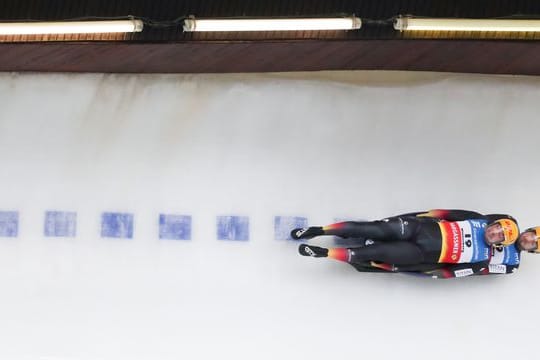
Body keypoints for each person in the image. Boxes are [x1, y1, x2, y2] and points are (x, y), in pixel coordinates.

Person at [292, 209, 520, 277]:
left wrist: (414, 270)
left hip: (418, 253)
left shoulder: (481, 261)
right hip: (419, 228)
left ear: (499, 244)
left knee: (373, 252)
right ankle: (317, 230)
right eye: (497, 227)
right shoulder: (476, 219)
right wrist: (416, 216)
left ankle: (324, 252)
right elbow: (442, 212)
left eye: (500, 235)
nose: (495, 232)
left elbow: (447, 273)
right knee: (371, 228)